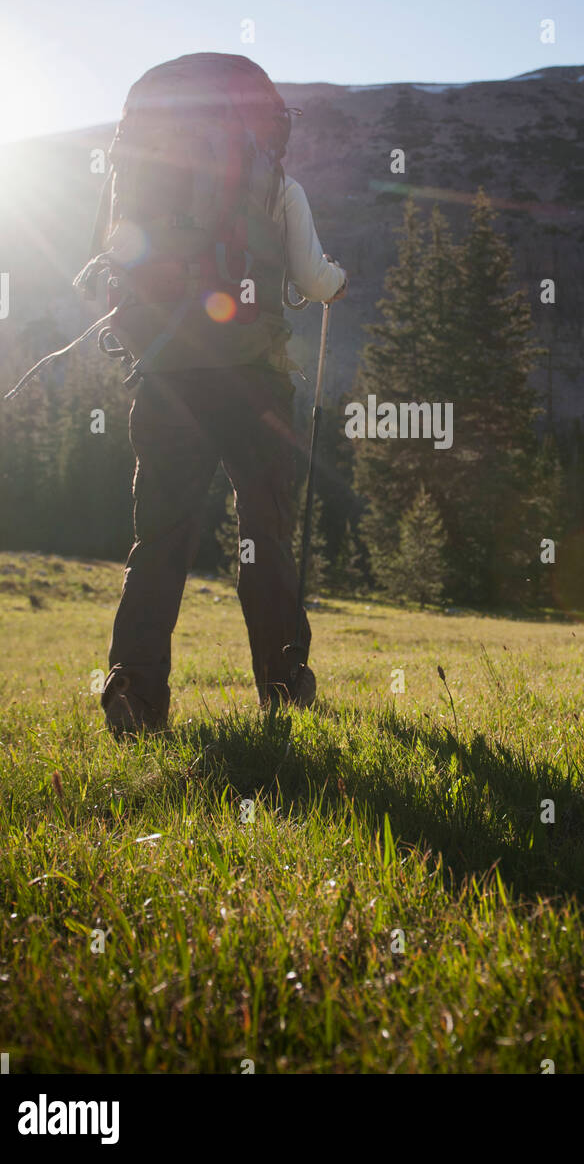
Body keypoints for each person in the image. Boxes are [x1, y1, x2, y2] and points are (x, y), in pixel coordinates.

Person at [99, 54, 347, 737]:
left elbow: (111, 254)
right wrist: (336, 281)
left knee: (160, 540)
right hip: (255, 384)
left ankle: (135, 693)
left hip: (167, 378)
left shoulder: (139, 173)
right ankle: (282, 683)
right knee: (264, 536)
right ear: (264, 122)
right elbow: (313, 278)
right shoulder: (276, 182)